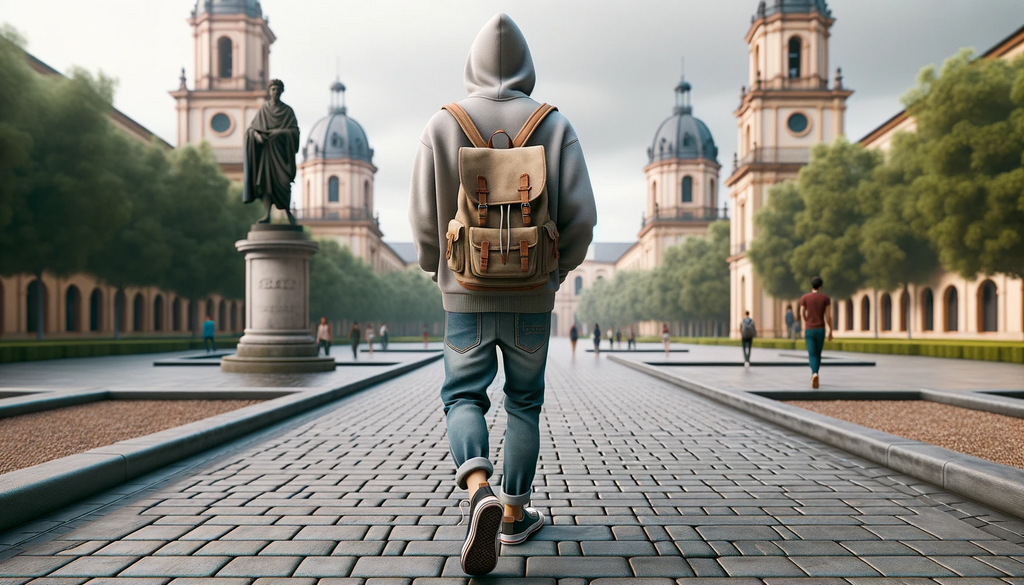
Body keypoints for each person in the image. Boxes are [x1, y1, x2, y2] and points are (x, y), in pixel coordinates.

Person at [408, 13, 596, 576]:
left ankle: (477, 488)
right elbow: (582, 217)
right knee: (524, 403)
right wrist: (556, 272)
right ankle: (513, 515)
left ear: (472, 65)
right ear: (525, 67)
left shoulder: (443, 124)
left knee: (463, 396)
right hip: (533, 298)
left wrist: (435, 267)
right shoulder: (555, 125)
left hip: (463, 291)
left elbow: (422, 221)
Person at [800, 276, 833, 389]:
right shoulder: (825, 298)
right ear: (820, 286)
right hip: (820, 329)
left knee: (812, 354)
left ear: (812, 285)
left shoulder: (805, 298)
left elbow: (802, 313)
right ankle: (816, 374)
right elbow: (828, 316)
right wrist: (830, 331)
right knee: (818, 354)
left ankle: (814, 374)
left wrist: (806, 321)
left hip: (809, 329)